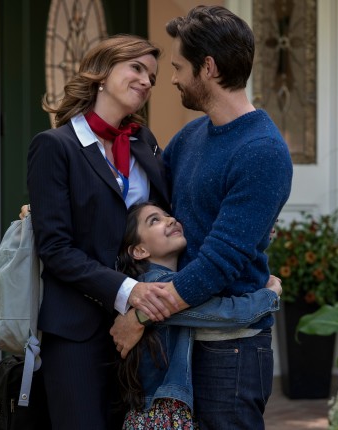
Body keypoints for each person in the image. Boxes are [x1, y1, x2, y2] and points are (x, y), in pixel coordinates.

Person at [112, 6, 293, 429]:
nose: (173, 79)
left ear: (208, 68)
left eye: (178, 67)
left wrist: (139, 315)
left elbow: (217, 265)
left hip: (229, 350)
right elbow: (143, 204)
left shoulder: (262, 151)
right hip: (180, 341)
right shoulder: (192, 135)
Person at [26, 34, 179, 430]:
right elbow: (55, 249)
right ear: (101, 72)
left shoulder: (144, 142)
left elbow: (169, 217)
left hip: (144, 330)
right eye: (137, 68)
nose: (146, 81)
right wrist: (129, 291)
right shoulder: (54, 146)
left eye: (152, 77)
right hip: (76, 330)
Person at [113, 201, 282, 429]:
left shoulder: (170, 281)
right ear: (139, 250)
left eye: (167, 215)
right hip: (161, 417)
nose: (170, 220)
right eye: (155, 220)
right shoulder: (156, 288)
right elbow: (226, 314)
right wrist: (270, 295)